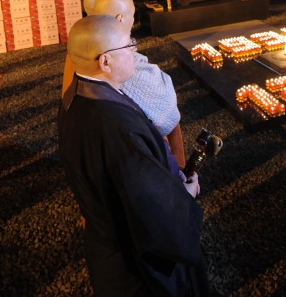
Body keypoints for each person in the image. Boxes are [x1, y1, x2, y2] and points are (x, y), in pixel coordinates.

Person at [58, 15, 209, 296]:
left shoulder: (77, 95)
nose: (134, 51)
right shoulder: (116, 129)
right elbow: (150, 210)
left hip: (105, 236)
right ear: (105, 62)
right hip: (135, 263)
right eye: (128, 46)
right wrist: (185, 197)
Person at [61, 0, 184, 163]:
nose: (131, 49)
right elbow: (165, 112)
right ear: (120, 18)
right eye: (128, 46)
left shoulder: (83, 48)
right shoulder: (113, 63)